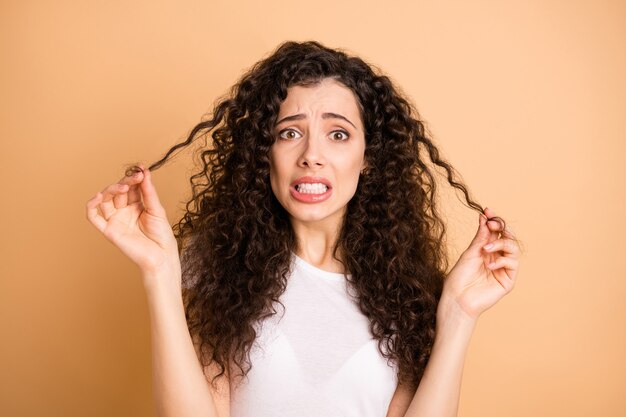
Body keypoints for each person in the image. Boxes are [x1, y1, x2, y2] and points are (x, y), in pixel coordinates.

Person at [86, 40, 521, 417]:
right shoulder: (221, 269)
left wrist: (458, 316)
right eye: (289, 133)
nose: (312, 154)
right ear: (265, 152)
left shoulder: (408, 295)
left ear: (368, 156)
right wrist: (161, 273)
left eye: (338, 135)